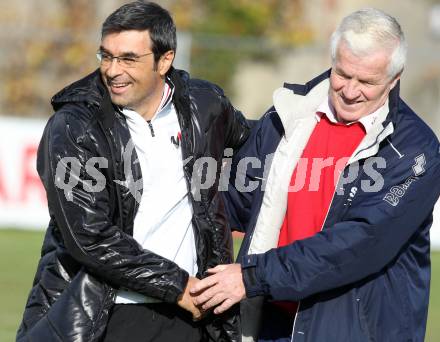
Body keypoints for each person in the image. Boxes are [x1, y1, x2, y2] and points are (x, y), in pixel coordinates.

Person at [191, 8, 440, 342]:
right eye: (343, 74)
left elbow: (357, 244)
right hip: (268, 322)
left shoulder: (414, 151)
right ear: (333, 58)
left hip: (350, 331)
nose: (350, 91)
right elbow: (234, 200)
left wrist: (250, 278)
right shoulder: (287, 116)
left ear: (395, 79)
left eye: (366, 82)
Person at [16, 1, 249, 341]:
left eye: (128, 58)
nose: (112, 70)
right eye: (106, 56)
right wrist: (179, 285)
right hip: (105, 313)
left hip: (193, 318)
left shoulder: (206, 105)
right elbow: (90, 237)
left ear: (164, 60)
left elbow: (256, 143)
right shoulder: (74, 127)